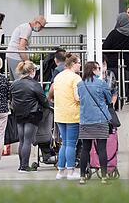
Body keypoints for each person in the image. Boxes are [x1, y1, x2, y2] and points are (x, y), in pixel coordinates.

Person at [48, 53, 82, 181]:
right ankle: (71, 171)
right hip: (73, 114)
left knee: (64, 143)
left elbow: (52, 93)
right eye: (79, 63)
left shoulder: (58, 77)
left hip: (60, 113)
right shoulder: (76, 78)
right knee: (71, 144)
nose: (80, 65)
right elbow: (77, 97)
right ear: (73, 64)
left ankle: (61, 171)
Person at [77, 61, 112, 184]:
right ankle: (103, 177)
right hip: (100, 120)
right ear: (93, 70)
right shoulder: (101, 83)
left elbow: (80, 99)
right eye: (97, 68)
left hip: (85, 121)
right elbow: (109, 99)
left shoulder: (80, 85)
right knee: (102, 149)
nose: (99, 70)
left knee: (85, 149)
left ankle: (82, 176)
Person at [10, 61, 49, 172]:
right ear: (32, 71)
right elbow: (44, 101)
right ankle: (24, 166)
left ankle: (21, 165)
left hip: (18, 114)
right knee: (27, 141)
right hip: (32, 114)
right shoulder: (35, 84)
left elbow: (10, 99)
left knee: (22, 141)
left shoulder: (14, 84)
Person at [102, 13, 129, 104]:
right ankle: (127, 97)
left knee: (113, 81)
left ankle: (114, 99)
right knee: (125, 80)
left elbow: (104, 47)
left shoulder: (114, 33)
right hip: (126, 62)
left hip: (113, 63)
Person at [5, 16, 46, 80]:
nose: (41, 29)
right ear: (36, 23)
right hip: (16, 56)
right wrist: (28, 62)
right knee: (20, 80)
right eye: (42, 26)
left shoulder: (25, 27)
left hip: (11, 55)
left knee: (14, 81)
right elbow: (21, 47)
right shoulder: (27, 29)